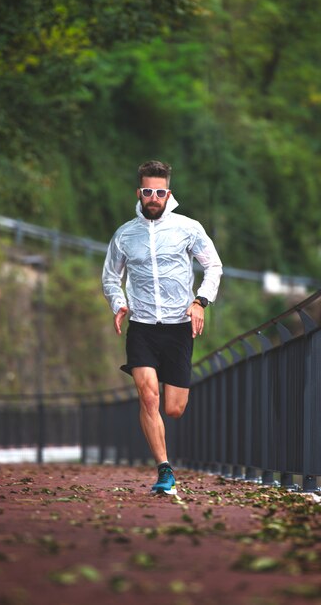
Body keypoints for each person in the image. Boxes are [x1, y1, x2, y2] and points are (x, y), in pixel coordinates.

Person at [102, 160, 222, 495]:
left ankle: (166, 459)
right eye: (147, 192)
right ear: (139, 193)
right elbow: (111, 276)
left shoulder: (189, 228)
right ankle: (164, 470)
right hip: (142, 326)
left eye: (159, 192)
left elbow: (213, 265)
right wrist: (118, 303)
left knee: (173, 408)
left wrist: (200, 301)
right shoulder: (125, 235)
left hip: (179, 327)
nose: (153, 197)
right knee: (148, 396)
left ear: (168, 193)